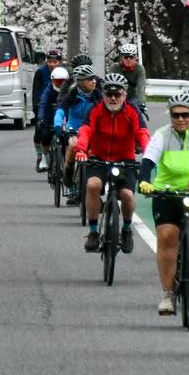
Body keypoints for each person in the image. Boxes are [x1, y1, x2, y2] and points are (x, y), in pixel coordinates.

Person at [137, 85, 189, 315]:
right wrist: (145, 181)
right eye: (175, 115)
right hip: (167, 193)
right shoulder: (162, 135)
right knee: (167, 237)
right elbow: (148, 160)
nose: (180, 119)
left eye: (185, 114)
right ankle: (168, 294)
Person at [74, 73, 150, 254]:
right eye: (109, 94)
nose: (113, 98)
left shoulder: (132, 111)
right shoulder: (95, 109)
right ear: (103, 94)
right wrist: (81, 150)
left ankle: (126, 230)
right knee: (92, 186)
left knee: (127, 196)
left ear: (124, 95)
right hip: (99, 158)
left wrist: (148, 152)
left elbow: (142, 133)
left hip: (125, 160)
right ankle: (93, 232)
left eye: (118, 94)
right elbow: (85, 130)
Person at [54, 65, 99, 203]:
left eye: (94, 79)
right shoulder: (72, 94)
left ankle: (87, 182)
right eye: (89, 79)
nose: (94, 82)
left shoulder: (98, 95)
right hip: (74, 127)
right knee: (73, 145)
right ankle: (68, 172)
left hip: (91, 128)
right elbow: (61, 110)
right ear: (80, 81)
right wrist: (57, 125)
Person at [34, 66, 69, 172]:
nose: (60, 84)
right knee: (44, 136)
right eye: (57, 81)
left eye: (62, 82)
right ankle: (45, 157)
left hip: (65, 118)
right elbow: (43, 104)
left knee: (67, 139)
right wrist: (40, 119)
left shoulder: (70, 91)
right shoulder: (48, 90)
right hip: (49, 116)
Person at [112, 42, 147, 119]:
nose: (128, 59)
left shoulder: (139, 68)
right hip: (116, 94)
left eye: (131, 57)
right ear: (121, 57)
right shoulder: (115, 67)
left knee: (135, 111)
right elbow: (109, 84)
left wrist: (142, 102)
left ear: (135, 58)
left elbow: (141, 87)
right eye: (126, 57)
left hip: (132, 96)